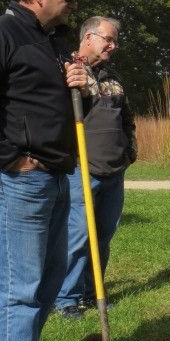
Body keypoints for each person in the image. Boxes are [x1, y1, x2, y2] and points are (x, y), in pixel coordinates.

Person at [0, 0, 89, 341]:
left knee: (50, 278)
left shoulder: (52, 42)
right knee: (22, 282)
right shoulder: (7, 32)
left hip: (58, 175)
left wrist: (80, 85)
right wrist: (12, 159)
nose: (70, 7)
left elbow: (64, 109)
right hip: (25, 180)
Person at [55, 17, 137, 318]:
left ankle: (92, 293)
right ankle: (66, 298)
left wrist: (130, 150)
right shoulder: (69, 71)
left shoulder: (112, 78)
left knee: (103, 236)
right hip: (82, 169)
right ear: (88, 37)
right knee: (78, 235)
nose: (113, 46)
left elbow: (126, 117)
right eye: (108, 39)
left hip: (114, 170)